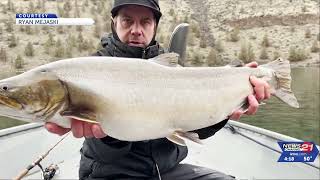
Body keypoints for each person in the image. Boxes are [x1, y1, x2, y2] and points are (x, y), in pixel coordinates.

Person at [45, 0, 271, 179]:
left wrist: (229, 107)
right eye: (127, 21)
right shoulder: (90, 70)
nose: (136, 30)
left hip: (165, 171)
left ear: (154, 27)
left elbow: (194, 128)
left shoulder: (171, 69)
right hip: (110, 174)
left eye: (145, 22)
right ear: (114, 22)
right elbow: (104, 154)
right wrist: (108, 135)